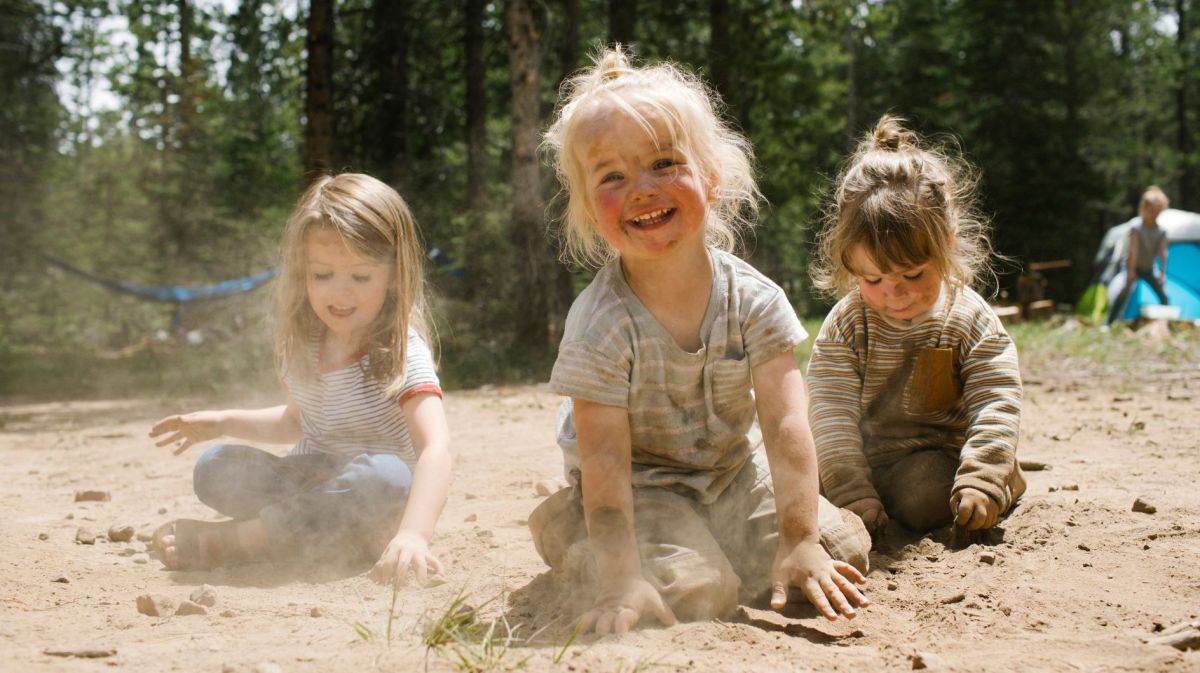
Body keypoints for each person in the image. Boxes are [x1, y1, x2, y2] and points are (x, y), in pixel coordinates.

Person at [528, 48, 871, 636]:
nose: (641, 188)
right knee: (696, 590)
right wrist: (619, 577)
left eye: (663, 162)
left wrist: (799, 538)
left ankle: (720, 541)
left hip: (731, 472)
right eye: (611, 176)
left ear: (711, 178)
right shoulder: (599, 326)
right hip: (638, 484)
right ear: (587, 208)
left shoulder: (755, 300)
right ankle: (571, 528)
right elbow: (607, 461)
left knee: (840, 547)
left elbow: (787, 425)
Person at [148, 173, 451, 586]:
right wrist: (220, 422)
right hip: (314, 491)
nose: (339, 294)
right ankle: (304, 534)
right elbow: (297, 422)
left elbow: (435, 446)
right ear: (301, 273)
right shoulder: (303, 344)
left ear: (394, 274)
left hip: (375, 502)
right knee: (215, 466)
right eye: (322, 275)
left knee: (386, 476)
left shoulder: (401, 349)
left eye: (360, 277)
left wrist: (415, 533)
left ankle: (241, 541)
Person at [806, 115, 1025, 540]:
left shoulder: (969, 320)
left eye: (911, 275)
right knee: (795, 479)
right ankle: (863, 498)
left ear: (946, 242)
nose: (895, 294)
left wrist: (982, 472)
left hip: (937, 456)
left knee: (923, 497)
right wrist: (851, 492)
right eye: (872, 280)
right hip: (859, 457)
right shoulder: (847, 325)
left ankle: (1000, 477)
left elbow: (997, 398)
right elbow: (830, 416)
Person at [1107, 186, 1171, 323]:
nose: (1154, 214)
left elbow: (1163, 252)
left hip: (1149, 268)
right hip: (1132, 266)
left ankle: (1166, 324)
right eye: (1152, 211)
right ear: (1144, 209)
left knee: (1163, 295)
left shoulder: (1161, 231)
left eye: (1157, 211)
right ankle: (1109, 323)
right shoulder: (1136, 227)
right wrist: (1130, 271)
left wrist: (1163, 272)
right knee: (1124, 292)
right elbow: (1133, 251)